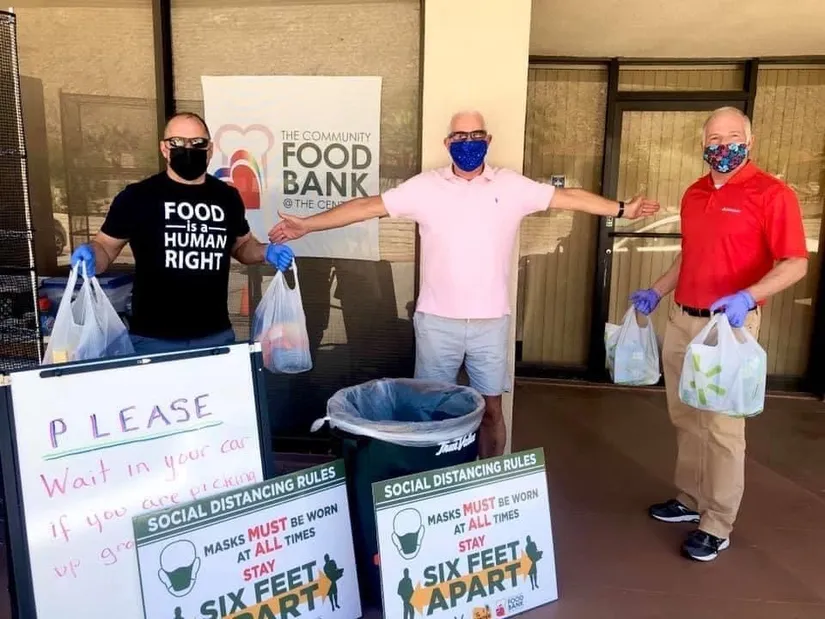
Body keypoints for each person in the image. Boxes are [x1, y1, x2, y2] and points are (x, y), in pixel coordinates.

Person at [270, 110, 659, 458]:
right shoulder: (426, 186)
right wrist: (308, 224)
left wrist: (622, 209)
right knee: (432, 411)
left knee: (491, 410)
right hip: (437, 322)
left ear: (488, 141)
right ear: (447, 143)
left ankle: (486, 487)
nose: (468, 143)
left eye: (476, 136)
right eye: (459, 137)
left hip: (491, 322)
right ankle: (436, 486)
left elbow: (567, 197)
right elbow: (366, 206)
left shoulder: (510, 186)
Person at [631, 107, 808, 562]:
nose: (722, 144)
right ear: (703, 143)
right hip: (681, 321)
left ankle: (717, 522)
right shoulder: (693, 193)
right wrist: (655, 292)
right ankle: (689, 499)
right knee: (685, 417)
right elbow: (690, 255)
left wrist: (749, 297)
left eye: (732, 136)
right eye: (714, 136)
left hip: (728, 328)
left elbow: (795, 262)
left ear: (750, 141)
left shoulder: (773, 194)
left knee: (724, 430)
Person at [70, 112, 294, 355]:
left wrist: (266, 252)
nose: (187, 149)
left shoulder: (226, 197)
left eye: (197, 143)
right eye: (176, 142)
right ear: (164, 149)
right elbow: (105, 247)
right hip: (152, 338)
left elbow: (242, 246)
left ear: (209, 149)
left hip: (215, 336)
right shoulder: (137, 197)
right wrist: (90, 253)